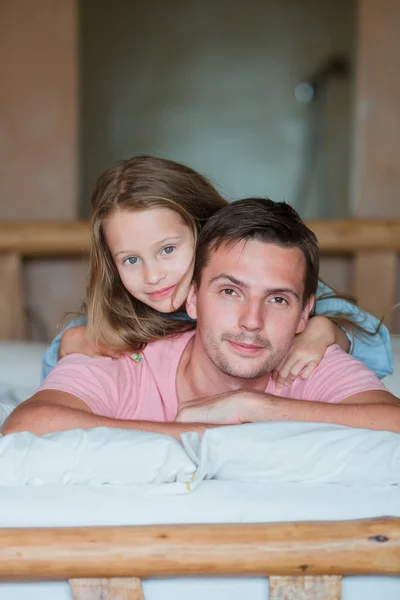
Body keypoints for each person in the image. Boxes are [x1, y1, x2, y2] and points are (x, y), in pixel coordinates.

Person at [3, 198, 399, 438]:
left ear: (304, 312)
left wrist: (253, 409)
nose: (251, 321)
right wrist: (194, 434)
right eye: (230, 291)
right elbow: (25, 425)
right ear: (191, 298)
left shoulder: (308, 357)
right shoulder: (121, 356)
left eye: (278, 300)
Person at [40, 156, 392, 389]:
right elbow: (55, 371)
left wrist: (324, 330)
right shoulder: (122, 306)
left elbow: (377, 347)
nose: (153, 276)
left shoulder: (261, 275)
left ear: (204, 231)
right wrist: (68, 346)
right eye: (131, 260)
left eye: (167, 250)